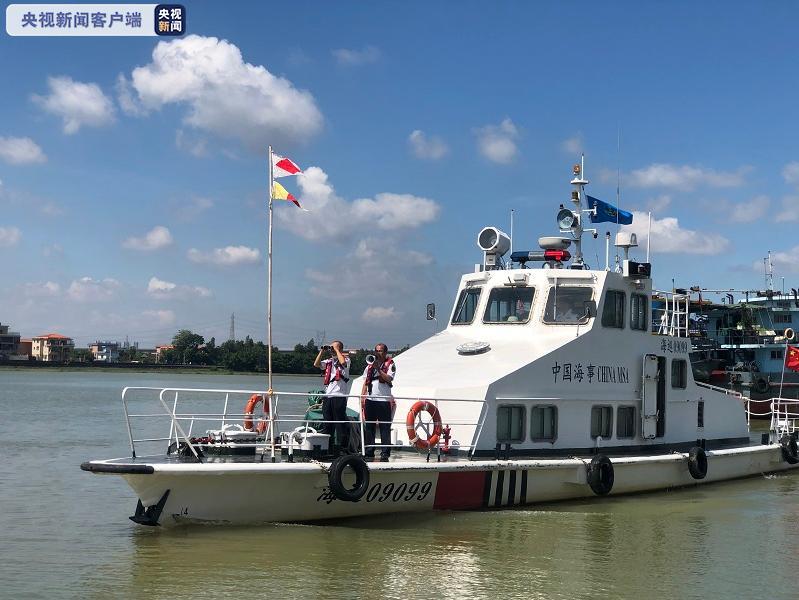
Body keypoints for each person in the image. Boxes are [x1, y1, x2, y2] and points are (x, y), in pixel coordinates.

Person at [313, 340, 351, 454]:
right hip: (328, 396)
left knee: (340, 423)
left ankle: (342, 449)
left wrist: (337, 350)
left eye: (334, 348)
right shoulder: (329, 361)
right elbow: (316, 364)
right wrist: (322, 351)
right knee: (327, 423)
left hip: (339, 395)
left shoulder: (346, 360)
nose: (332, 350)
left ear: (340, 349)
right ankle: (327, 448)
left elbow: (343, 363)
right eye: (331, 348)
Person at [361, 343, 396, 461]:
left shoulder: (390, 364)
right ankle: (369, 452)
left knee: (384, 427)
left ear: (385, 352)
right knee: (369, 426)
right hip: (370, 399)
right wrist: (362, 396)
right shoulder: (369, 365)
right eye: (376, 350)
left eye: (380, 351)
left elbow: (389, 379)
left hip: (383, 400)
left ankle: (385, 453)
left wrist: (378, 369)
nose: (378, 353)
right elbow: (366, 381)